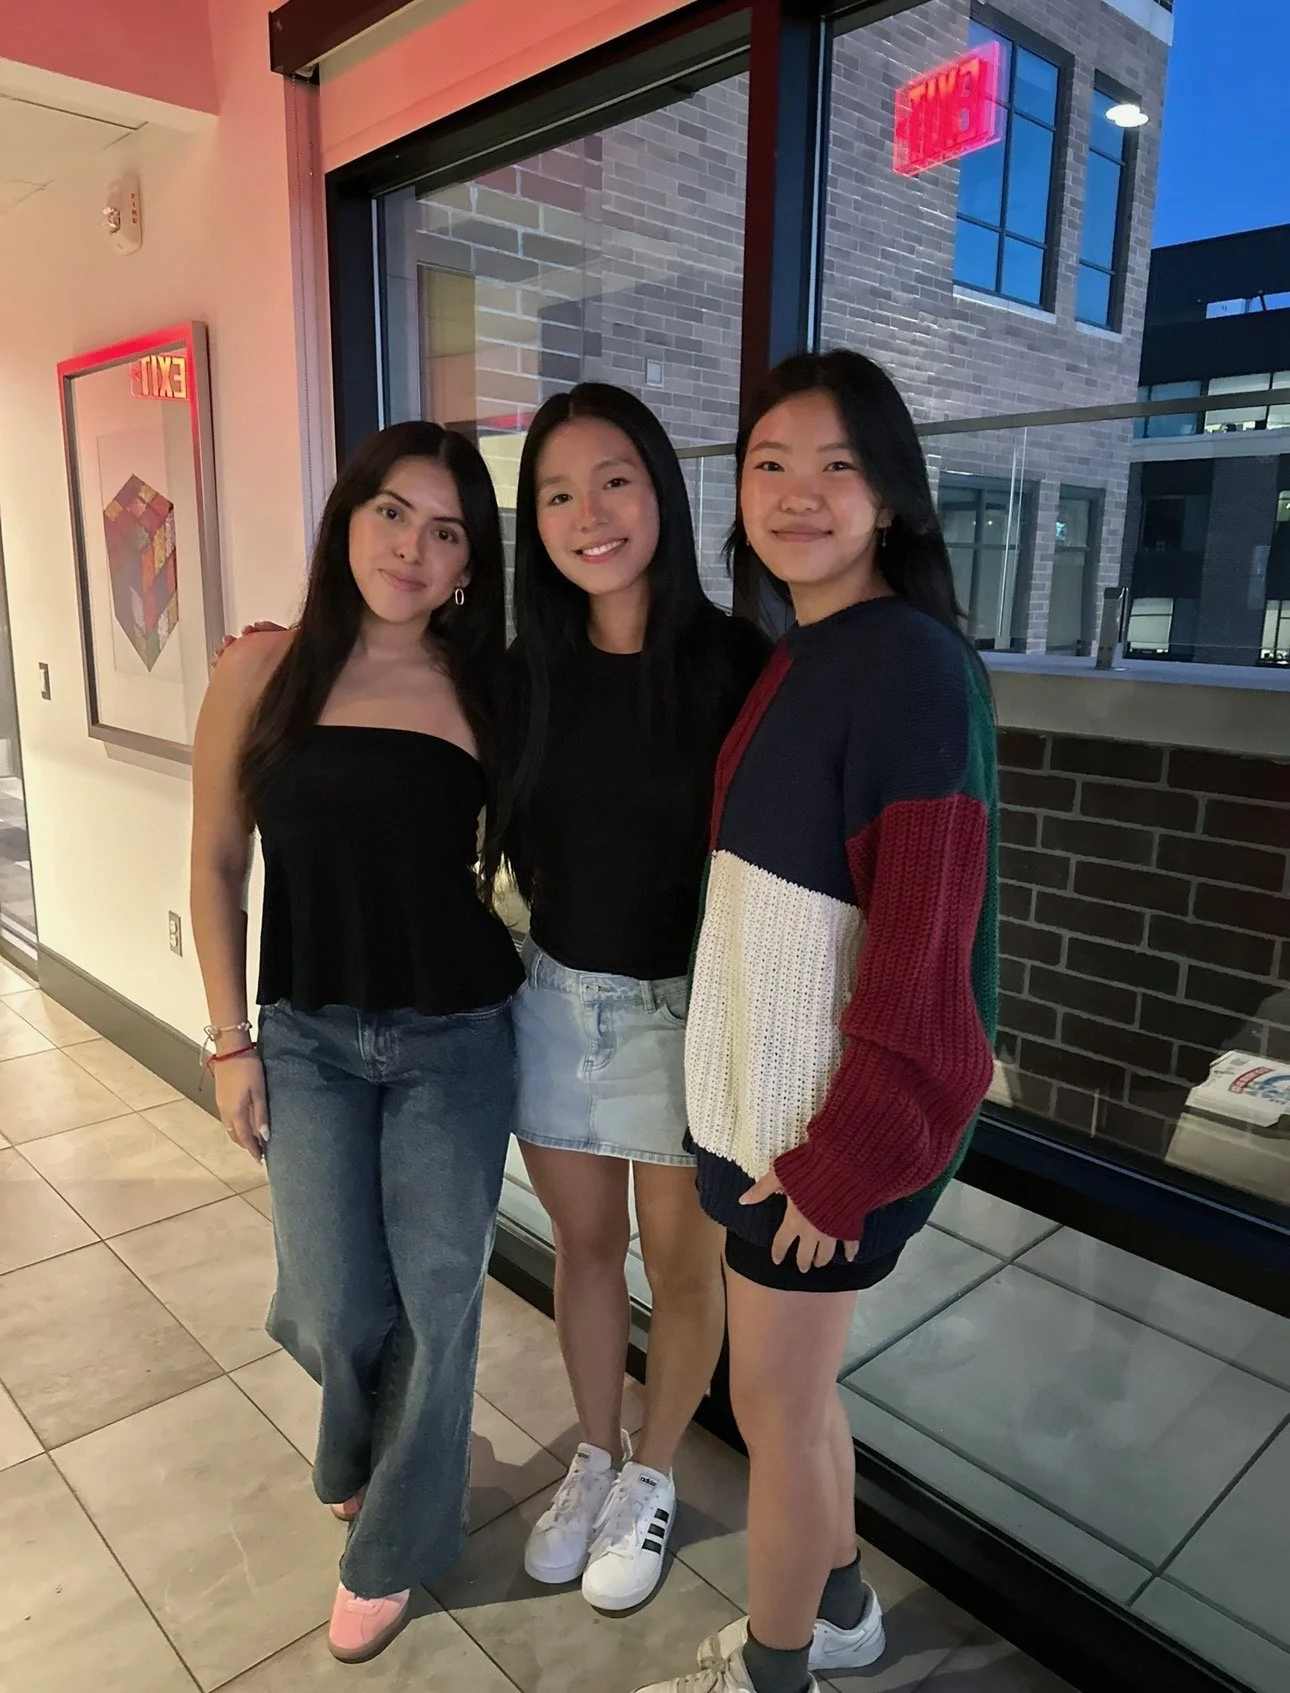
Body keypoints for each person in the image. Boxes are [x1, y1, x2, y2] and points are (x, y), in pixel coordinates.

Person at [634, 349, 999, 1693]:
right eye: (769, 464)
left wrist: (849, 1156)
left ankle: (772, 1671)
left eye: (835, 464)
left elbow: (926, 950)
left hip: (819, 1143)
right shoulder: (814, 652)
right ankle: (840, 1604)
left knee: (771, 1408)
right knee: (795, 1395)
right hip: (773, 1116)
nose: (796, 492)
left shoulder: (901, 664)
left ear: (890, 499)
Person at [189, 421, 523, 1665]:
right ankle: (368, 1448)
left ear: (469, 564)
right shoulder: (258, 669)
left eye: (446, 532)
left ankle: (391, 1543)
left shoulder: (489, 691)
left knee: (438, 1302)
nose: (414, 548)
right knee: (328, 1300)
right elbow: (219, 859)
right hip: (310, 1036)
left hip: (457, 1039)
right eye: (394, 513)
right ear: (347, 517)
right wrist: (231, 1042)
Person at [490, 383, 770, 1612]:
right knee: (587, 1252)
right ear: (533, 523)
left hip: (686, 1017)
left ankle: (656, 1472)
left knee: (683, 1266)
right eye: (557, 492)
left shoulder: (738, 666)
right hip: (556, 1001)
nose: (588, 512)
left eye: (613, 480)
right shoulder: (520, 675)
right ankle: (595, 1452)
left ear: (659, 487)